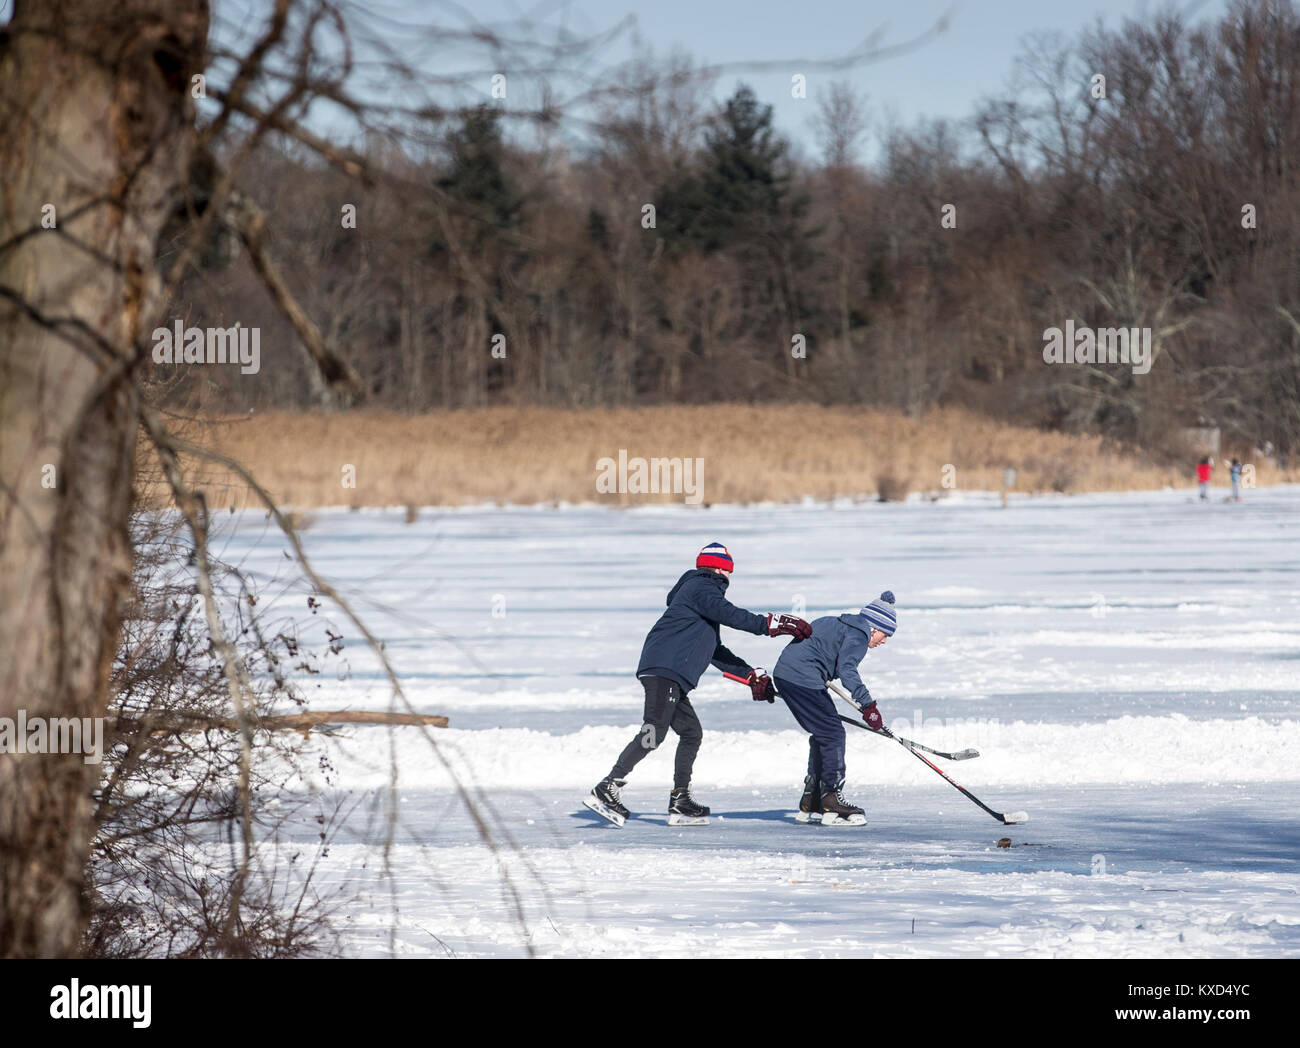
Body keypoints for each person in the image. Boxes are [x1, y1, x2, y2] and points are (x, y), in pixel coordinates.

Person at [586, 542, 812, 826]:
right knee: (653, 732)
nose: (728, 579)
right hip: (664, 670)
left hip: (670, 675)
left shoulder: (699, 602)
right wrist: (772, 623)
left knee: (691, 733)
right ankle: (608, 786)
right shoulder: (701, 587)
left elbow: (715, 651)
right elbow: (733, 615)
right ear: (719, 569)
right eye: (728, 572)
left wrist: (751, 675)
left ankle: (680, 799)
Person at [771, 591, 897, 826]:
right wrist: (868, 705)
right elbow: (848, 669)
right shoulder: (859, 637)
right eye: (885, 634)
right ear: (874, 627)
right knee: (833, 734)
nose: (884, 641)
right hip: (803, 679)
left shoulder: (832, 622)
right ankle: (831, 798)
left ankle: (812, 798)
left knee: (823, 732)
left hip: (786, 675)